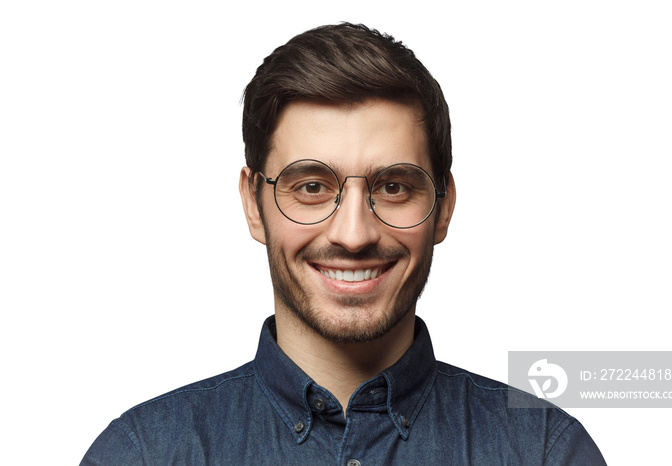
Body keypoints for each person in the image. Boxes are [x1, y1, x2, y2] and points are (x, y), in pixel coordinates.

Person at [81, 23, 606, 465]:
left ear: (443, 206)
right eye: (311, 187)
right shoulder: (145, 453)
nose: (353, 235)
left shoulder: (544, 452)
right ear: (252, 204)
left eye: (394, 186)